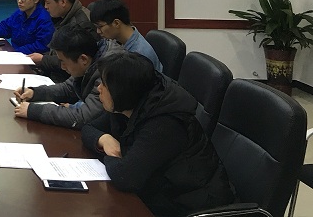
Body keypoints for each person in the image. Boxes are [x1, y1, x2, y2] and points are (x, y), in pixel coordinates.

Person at [82, 52, 235, 217]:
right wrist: (104, 139)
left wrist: (112, 155)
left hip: (190, 205)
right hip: (159, 193)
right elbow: (88, 127)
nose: (99, 88)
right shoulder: (130, 103)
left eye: (104, 84)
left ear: (121, 91)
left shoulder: (164, 123)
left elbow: (125, 177)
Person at [13, 26, 121, 128]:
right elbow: (67, 89)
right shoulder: (89, 62)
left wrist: (34, 111)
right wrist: (34, 93)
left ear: (83, 59)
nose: (62, 66)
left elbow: (83, 118)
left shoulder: (107, 72)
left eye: (63, 61)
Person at [28, 0, 97, 82]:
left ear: (63, 2)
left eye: (48, 2)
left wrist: (43, 59)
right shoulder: (62, 18)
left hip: (67, 82)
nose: (45, 7)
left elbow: (74, 61)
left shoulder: (82, 24)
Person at [90, 0, 163, 71]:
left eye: (100, 26)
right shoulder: (117, 40)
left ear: (116, 23)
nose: (98, 31)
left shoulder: (139, 56)